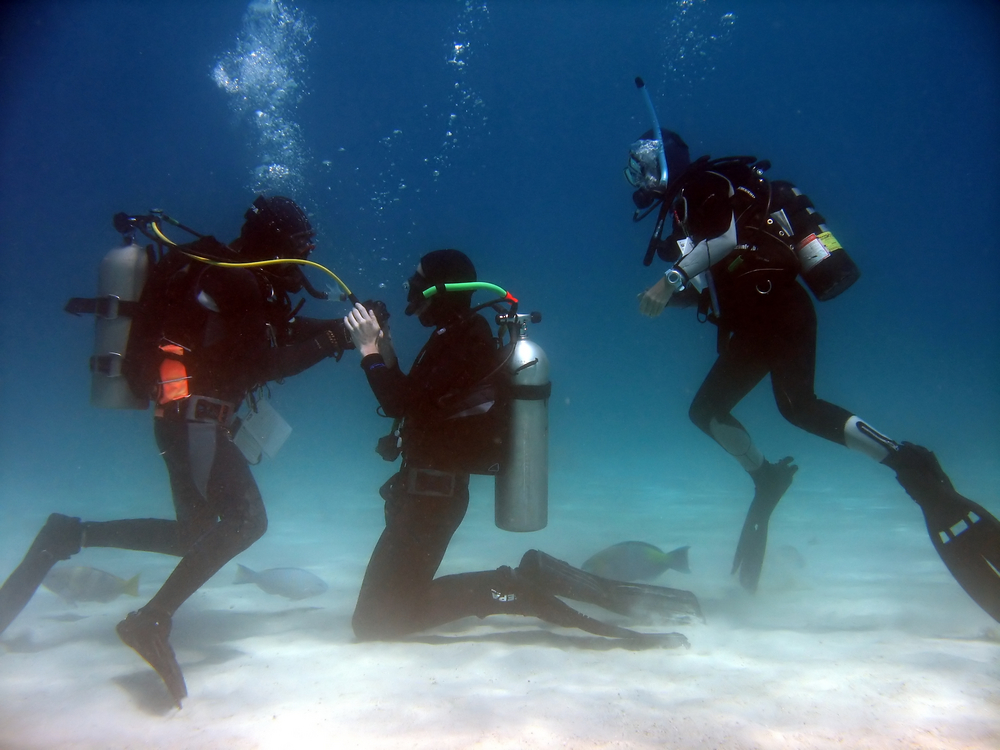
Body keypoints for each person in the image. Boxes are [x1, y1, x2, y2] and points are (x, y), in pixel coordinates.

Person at [626, 130, 1000, 621]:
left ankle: (907, 461)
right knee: (712, 410)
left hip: (776, 308)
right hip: (757, 319)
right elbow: (707, 282)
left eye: (643, 165)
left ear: (665, 163)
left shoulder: (705, 186)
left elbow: (728, 239)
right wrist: (674, 291)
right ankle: (769, 477)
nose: (638, 178)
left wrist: (667, 279)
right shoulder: (687, 208)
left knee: (797, 406)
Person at [0, 195, 353, 706]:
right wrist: (335, 337)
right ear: (274, 243)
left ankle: (67, 535)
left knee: (193, 533)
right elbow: (262, 364)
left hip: (185, 420)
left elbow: (276, 332)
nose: (305, 257)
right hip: (196, 421)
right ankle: (150, 620)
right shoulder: (238, 280)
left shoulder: (235, 277)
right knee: (245, 522)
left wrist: (341, 329)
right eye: (299, 246)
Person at [343, 249, 703, 644]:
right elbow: (418, 402)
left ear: (439, 288)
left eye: (417, 278)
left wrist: (368, 351)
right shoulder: (453, 334)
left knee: (376, 620)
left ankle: (514, 587)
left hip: (432, 500)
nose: (410, 287)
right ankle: (526, 578)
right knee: (381, 614)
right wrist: (386, 353)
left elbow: (400, 403)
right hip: (425, 495)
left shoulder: (465, 338)